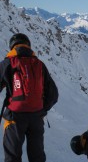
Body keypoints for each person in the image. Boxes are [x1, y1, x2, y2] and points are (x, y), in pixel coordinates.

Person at [0, 33, 59, 162]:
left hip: (15, 117)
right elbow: (53, 94)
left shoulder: (7, 63)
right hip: (36, 117)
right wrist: (42, 109)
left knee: (12, 156)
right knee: (37, 156)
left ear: (12, 47)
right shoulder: (39, 64)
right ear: (28, 46)